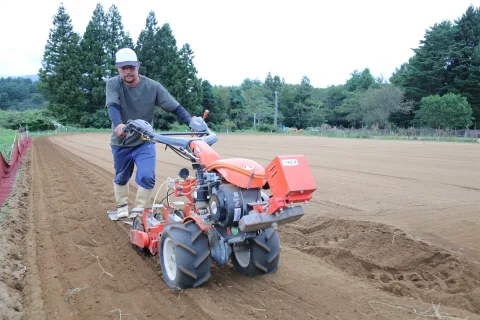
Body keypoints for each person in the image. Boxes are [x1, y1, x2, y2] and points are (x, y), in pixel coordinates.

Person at [105, 47, 207, 219]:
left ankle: (140, 211)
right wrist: (118, 124)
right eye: (124, 68)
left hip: (145, 140)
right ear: (118, 68)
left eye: (131, 67)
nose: (128, 71)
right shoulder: (113, 84)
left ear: (138, 65)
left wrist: (191, 122)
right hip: (121, 141)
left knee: (147, 175)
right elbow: (112, 105)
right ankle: (122, 205)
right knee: (122, 176)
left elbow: (174, 106)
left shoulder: (152, 87)